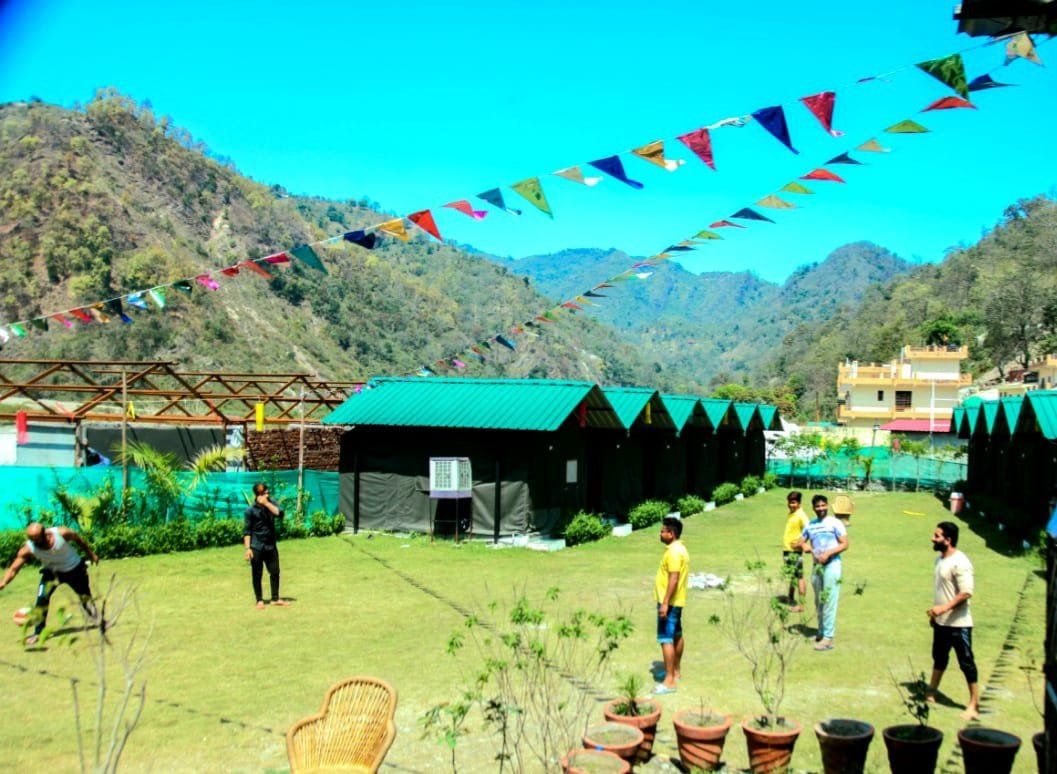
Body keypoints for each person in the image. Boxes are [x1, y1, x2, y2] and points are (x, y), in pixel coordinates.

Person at [0, 523, 99, 646]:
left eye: (36, 539)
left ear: (45, 533)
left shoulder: (62, 533)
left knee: (85, 597)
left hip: (74, 569)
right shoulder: (29, 548)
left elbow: (79, 540)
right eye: (31, 539)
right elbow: (14, 568)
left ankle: (97, 621)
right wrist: (4, 582)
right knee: (41, 600)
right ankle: (38, 633)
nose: (34, 542)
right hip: (51, 573)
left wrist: (91, 554)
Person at [926, 521, 980, 720]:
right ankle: (932, 691)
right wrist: (936, 614)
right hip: (942, 623)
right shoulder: (939, 560)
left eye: (937, 535)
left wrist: (943, 608)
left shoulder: (961, 562)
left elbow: (966, 593)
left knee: (966, 663)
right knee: (939, 657)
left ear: (948, 540)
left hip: (959, 624)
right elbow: (943, 591)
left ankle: (974, 704)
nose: (933, 538)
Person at [793, 494, 848, 651]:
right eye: (817, 506)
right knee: (819, 600)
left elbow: (845, 544)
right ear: (813, 508)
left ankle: (828, 638)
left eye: (823, 505)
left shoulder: (835, 523)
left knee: (829, 600)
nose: (821, 509)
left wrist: (828, 553)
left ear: (827, 506)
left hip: (832, 564)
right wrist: (803, 546)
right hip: (817, 567)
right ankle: (821, 630)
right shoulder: (811, 525)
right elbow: (798, 541)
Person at [654, 516, 689, 694]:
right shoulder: (680, 548)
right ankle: (675, 672)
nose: (660, 533)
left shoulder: (674, 552)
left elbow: (673, 578)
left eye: (663, 531)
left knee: (665, 638)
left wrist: (665, 603)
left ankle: (669, 681)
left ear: (671, 533)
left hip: (669, 603)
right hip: (677, 602)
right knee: (676, 634)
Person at [243, 483, 291, 609]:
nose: (268, 494)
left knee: (275, 571)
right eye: (266, 493)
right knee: (257, 574)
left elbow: (280, 514)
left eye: (268, 493)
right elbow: (247, 532)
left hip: (270, 545)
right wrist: (248, 549)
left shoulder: (271, 503)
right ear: (258, 495)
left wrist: (267, 504)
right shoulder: (250, 511)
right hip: (256, 546)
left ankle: (275, 598)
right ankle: (259, 600)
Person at [782, 491, 809, 612]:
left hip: (795, 551)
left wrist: (801, 544)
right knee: (793, 575)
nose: (791, 505)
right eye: (789, 502)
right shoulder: (791, 514)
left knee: (799, 576)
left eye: (793, 502)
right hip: (787, 550)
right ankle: (790, 597)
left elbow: (809, 530)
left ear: (799, 503)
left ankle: (801, 605)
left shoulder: (801, 515)